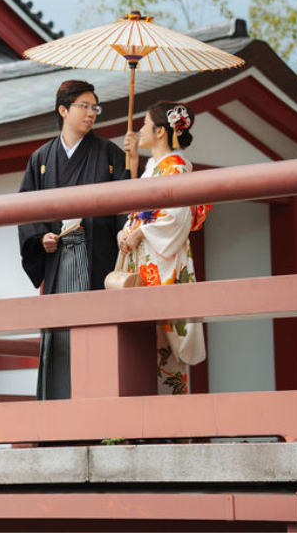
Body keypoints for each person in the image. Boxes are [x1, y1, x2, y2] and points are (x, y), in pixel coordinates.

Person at [18, 79, 129, 400]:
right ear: (63, 110)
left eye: (95, 107)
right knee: (62, 335)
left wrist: (131, 165)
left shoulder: (110, 154)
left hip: (98, 257)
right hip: (58, 260)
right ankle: (58, 416)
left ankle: (103, 410)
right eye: (84, 106)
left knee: (100, 333)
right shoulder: (40, 159)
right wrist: (41, 239)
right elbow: (26, 208)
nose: (91, 113)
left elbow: (125, 202)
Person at [118, 100, 209, 395]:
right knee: (144, 343)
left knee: (167, 345)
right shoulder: (152, 168)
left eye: (144, 124)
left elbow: (177, 217)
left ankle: (175, 429)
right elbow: (140, 210)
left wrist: (141, 230)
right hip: (145, 259)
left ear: (159, 132)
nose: (139, 129)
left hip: (162, 260)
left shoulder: (177, 167)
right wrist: (126, 231)